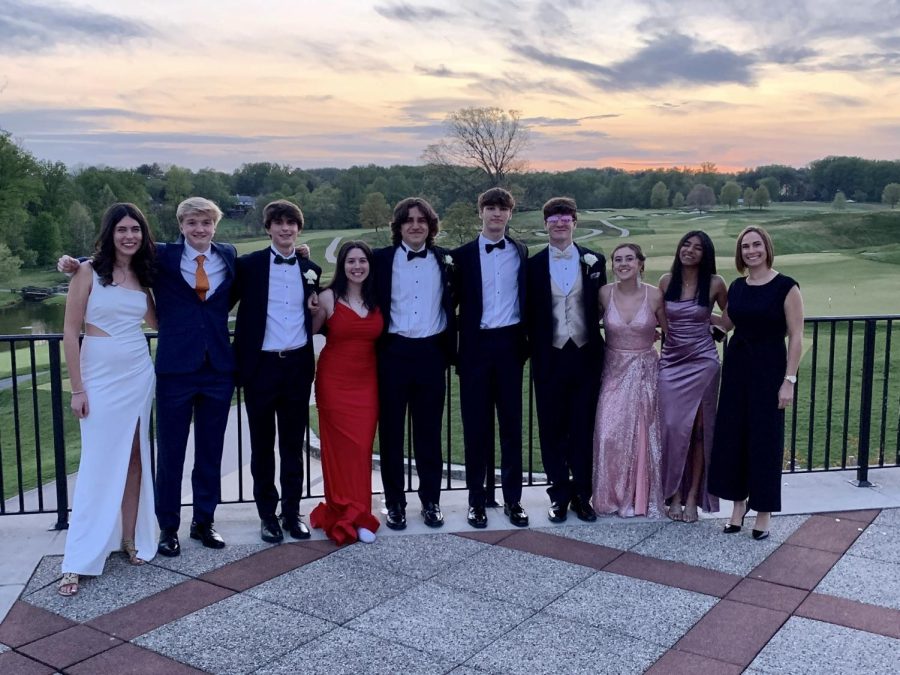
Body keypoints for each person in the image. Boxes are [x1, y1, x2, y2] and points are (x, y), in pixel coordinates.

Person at [59, 203, 157, 596]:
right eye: (122, 230)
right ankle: (78, 558)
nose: (129, 236)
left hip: (137, 373)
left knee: (135, 458)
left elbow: (158, 322)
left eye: (136, 229)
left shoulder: (143, 275)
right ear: (110, 233)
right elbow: (69, 332)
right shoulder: (87, 272)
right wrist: (77, 388)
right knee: (98, 462)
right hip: (98, 375)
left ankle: (130, 538)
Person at [232, 200, 320, 543]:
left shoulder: (308, 267)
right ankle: (267, 515)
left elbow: (317, 304)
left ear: (298, 229)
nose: (285, 229)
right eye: (279, 223)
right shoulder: (249, 266)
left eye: (291, 223)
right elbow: (217, 301)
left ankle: (292, 512)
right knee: (262, 446)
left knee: (292, 445)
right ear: (268, 227)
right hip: (260, 367)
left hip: (296, 366)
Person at [708, 226, 803, 540]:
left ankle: (763, 511)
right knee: (733, 437)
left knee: (765, 441)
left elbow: (797, 337)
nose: (751, 251)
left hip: (769, 369)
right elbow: (726, 324)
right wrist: (691, 312)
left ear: (766, 248)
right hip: (737, 369)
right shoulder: (737, 286)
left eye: (756, 245)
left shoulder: (786, 286)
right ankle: (738, 506)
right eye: (745, 246)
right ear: (740, 253)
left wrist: (788, 381)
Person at [372, 198, 456, 530]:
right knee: (391, 434)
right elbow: (347, 279)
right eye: (408, 220)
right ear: (399, 226)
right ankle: (394, 503)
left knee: (429, 434)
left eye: (422, 220)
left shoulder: (447, 260)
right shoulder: (380, 260)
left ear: (431, 225)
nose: (416, 225)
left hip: (431, 356)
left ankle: (431, 501)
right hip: (392, 354)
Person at [452, 187, 529, 528]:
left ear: (510, 214)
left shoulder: (521, 252)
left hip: (510, 347)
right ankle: (477, 500)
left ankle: (513, 499)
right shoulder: (461, 256)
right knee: (475, 428)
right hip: (475, 349)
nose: (496, 214)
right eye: (490, 208)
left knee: (511, 426)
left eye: (502, 209)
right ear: (480, 212)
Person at [526, 197, 606, 523]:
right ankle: (558, 495)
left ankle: (582, 496)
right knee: (551, 430)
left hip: (587, 357)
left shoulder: (595, 260)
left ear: (576, 222)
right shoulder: (531, 265)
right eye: (554, 218)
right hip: (549, 358)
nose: (560, 222)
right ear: (545, 224)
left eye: (566, 217)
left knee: (583, 428)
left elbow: (604, 306)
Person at [308, 241, 383, 545]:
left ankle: (360, 512)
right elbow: (309, 332)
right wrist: (309, 305)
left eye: (362, 261)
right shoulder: (327, 297)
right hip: (334, 382)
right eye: (351, 261)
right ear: (342, 265)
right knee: (338, 451)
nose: (357, 266)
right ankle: (343, 510)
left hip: (367, 383)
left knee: (361, 449)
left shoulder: (377, 298)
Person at [592, 243, 668, 518]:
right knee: (608, 432)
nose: (623, 264)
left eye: (629, 259)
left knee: (643, 434)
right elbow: (588, 327)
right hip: (613, 370)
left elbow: (671, 332)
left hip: (647, 372)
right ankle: (609, 497)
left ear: (640, 264)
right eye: (618, 260)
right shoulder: (603, 293)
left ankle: (640, 498)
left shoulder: (656, 296)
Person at [658, 231, 727, 523]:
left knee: (699, 432)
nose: (690, 250)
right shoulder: (665, 281)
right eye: (686, 244)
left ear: (705, 254)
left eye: (698, 248)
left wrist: (719, 327)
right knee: (673, 427)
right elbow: (656, 317)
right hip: (671, 362)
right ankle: (672, 492)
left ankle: (691, 497)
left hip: (703, 362)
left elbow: (731, 311)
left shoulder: (714, 283)